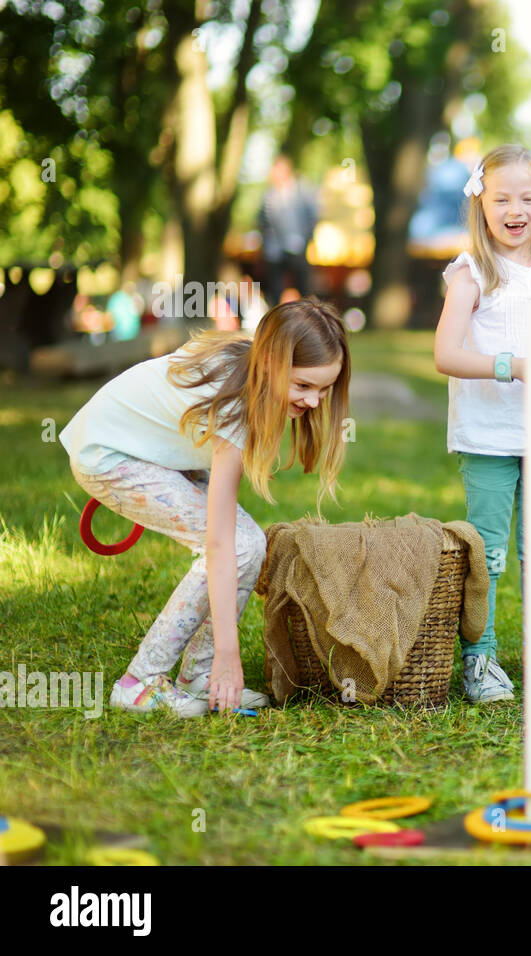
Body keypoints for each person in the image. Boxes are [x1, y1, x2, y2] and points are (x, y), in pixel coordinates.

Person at [60, 298, 351, 715]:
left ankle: (199, 678)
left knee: (249, 544)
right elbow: (218, 544)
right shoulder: (235, 405)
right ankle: (139, 681)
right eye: (303, 385)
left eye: (324, 389)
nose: (314, 402)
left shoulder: (249, 372)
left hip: (152, 451)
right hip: (108, 455)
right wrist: (228, 657)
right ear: (269, 362)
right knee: (235, 546)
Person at [434, 144, 531, 704]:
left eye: (527, 197)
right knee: (491, 551)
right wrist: (514, 367)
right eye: (501, 199)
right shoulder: (472, 271)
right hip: (489, 436)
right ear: (481, 204)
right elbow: (446, 354)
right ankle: (481, 657)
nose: (514, 209)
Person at [258, 154, 318, 306]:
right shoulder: (269, 195)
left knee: (303, 285)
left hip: (296, 246)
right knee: (275, 288)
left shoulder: (301, 191)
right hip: (274, 250)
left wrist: (305, 239)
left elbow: (313, 215)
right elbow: (262, 220)